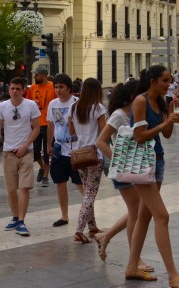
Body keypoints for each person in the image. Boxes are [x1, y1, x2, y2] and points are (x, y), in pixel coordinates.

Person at [125, 65, 179, 288]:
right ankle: (173, 275)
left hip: (158, 162)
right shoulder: (141, 101)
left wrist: (170, 117)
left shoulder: (161, 102)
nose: (169, 84)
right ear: (153, 81)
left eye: (170, 80)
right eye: (165, 80)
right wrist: (165, 122)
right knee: (162, 216)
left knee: (145, 217)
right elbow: (138, 136)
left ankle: (132, 267)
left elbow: (167, 134)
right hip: (142, 165)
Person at [94, 80, 155, 275]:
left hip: (136, 168)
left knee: (136, 211)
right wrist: (117, 160)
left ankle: (106, 237)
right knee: (136, 212)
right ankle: (135, 260)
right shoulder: (119, 115)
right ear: (131, 96)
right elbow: (101, 141)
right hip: (123, 169)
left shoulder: (136, 113)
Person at [0, 77, 40, 237]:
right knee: (11, 189)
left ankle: (21, 221)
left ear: (23, 90)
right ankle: (14, 217)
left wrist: (25, 145)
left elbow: (36, 128)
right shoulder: (1, 107)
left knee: (24, 187)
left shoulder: (31, 105)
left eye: (17, 89)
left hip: (26, 152)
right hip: (8, 152)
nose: (14, 91)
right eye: (12, 88)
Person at [69, 77, 106, 243]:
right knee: (90, 194)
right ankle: (79, 230)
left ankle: (92, 227)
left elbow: (71, 130)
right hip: (95, 154)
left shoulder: (74, 106)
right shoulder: (98, 108)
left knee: (86, 190)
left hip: (79, 154)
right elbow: (104, 131)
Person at [48, 74, 83, 227]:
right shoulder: (53, 104)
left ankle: (90, 215)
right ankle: (64, 215)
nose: (58, 90)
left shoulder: (77, 103)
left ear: (69, 88)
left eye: (61, 87)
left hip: (76, 150)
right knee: (60, 183)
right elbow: (51, 125)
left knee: (81, 184)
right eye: (56, 87)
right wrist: (49, 144)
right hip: (59, 150)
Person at [26, 66, 56, 187]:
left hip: (49, 124)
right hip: (36, 124)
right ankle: (43, 167)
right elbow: (27, 103)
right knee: (36, 152)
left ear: (43, 75)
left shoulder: (53, 87)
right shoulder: (33, 88)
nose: (34, 77)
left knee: (47, 151)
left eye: (36, 75)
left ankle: (45, 176)